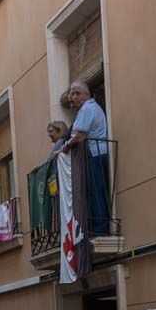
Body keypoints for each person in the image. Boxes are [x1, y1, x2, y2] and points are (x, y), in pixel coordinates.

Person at [54, 80, 110, 235]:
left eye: (75, 93)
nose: (71, 97)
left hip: (95, 154)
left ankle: (100, 229)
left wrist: (64, 148)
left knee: (96, 192)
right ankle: (98, 227)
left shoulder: (87, 109)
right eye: (70, 94)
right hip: (96, 154)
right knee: (95, 191)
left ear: (84, 94)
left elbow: (79, 135)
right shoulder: (90, 108)